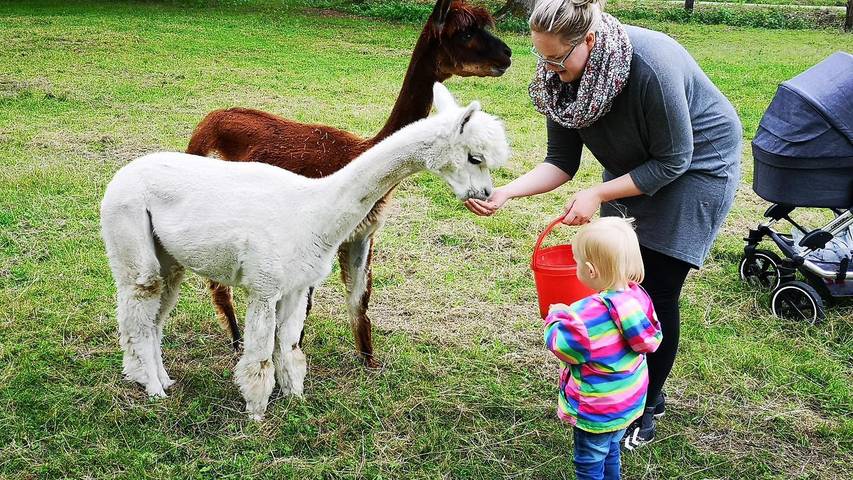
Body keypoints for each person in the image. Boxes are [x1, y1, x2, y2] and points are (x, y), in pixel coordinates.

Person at [465, 0, 741, 447]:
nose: (550, 69)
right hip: (633, 165)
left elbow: (675, 159)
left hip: (696, 167)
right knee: (620, 283)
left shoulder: (651, 65)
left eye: (558, 58)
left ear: (588, 40)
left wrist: (599, 193)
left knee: (657, 286)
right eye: (543, 57)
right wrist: (506, 192)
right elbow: (560, 161)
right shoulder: (560, 84)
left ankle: (646, 404)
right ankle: (625, 383)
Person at [545, 217, 661, 480]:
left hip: (597, 408)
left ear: (590, 270)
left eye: (576, 261)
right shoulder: (638, 296)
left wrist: (556, 317)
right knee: (611, 451)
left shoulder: (586, 317)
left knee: (588, 463)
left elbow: (562, 346)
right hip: (627, 402)